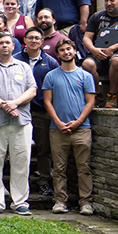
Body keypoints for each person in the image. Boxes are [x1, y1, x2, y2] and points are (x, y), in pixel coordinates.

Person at [0, 31, 37, 216]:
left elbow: (32, 90)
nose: (4, 46)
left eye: (7, 43)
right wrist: (5, 105)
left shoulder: (24, 67)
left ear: (13, 46)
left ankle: (20, 202)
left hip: (21, 121)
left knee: (21, 161)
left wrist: (15, 103)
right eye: (0, 43)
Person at [44, 39, 96, 215]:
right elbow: (47, 101)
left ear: (74, 51)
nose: (66, 52)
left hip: (82, 129)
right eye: (62, 50)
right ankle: (59, 201)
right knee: (59, 168)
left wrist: (78, 122)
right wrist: (58, 123)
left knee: (84, 167)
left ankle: (86, 202)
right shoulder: (51, 76)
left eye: (69, 49)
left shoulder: (85, 76)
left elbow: (90, 102)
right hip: (57, 130)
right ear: (57, 54)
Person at [14, 26, 60, 197]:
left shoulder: (50, 62)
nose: (33, 41)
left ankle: (43, 181)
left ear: (42, 41)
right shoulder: (16, 60)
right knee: (19, 149)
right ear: (24, 40)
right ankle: (19, 183)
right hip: (19, 111)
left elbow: (55, 87)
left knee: (43, 149)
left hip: (41, 111)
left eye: (37, 38)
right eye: (30, 37)